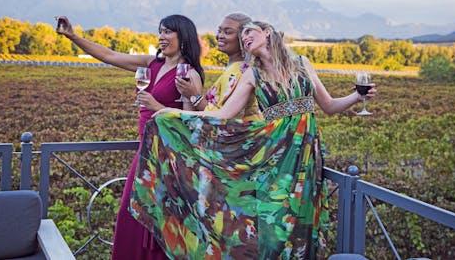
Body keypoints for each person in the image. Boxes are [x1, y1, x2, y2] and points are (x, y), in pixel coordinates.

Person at [129, 21, 376, 259]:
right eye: (243, 35)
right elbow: (223, 115)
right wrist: (173, 114)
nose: (245, 38)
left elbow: (330, 106)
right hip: (270, 155)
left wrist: (357, 96)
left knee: (300, 220)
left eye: (250, 32)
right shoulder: (252, 75)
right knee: (270, 223)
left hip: (305, 155)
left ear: (267, 32)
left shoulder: (302, 64)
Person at [56, 14, 204, 260]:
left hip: (168, 154)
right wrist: (73, 36)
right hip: (144, 149)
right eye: (160, 31)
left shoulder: (188, 73)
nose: (161, 37)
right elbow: (109, 56)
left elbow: (190, 121)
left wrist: (156, 106)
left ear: (183, 36)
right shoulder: (151, 64)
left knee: (158, 217)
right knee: (131, 213)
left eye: (168, 32)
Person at [175, 12, 260, 119]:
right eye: (219, 31)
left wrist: (193, 96)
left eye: (227, 32)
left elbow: (221, 117)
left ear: (243, 38)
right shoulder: (237, 68)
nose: (220, 36)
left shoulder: (237, 71)